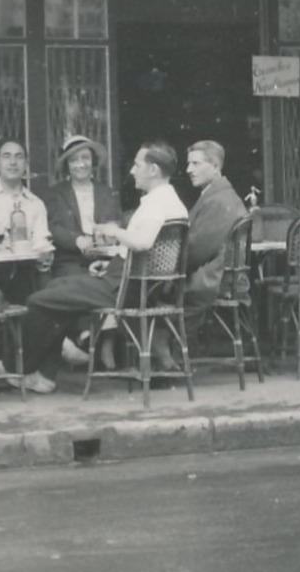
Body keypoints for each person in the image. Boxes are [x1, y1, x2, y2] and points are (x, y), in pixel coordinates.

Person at [16, 141, 189, 394]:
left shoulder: (155, 203)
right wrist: (110, 262)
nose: (132, 171)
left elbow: (141, 243)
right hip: (133, 283)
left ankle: (25, 369)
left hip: (121, 288)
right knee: (59, 287)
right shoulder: (171, 200)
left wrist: (115, 231)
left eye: (137, 165)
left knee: (39, 299)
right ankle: (45, 374)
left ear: (153, 170)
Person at [0, 139, 52, 303]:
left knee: (46, 288)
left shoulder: (36, 203)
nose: (13, 162)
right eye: (7, 156)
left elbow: (42, 243)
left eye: (19, 157)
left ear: (26, 164)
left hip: (29, 273)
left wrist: (44, 256)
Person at [183, 140, 249, 327]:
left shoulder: (218, 201)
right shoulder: (219, 195)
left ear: (215, 166)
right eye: (188, 164)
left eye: (195, 164)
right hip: (216, 277)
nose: (188, 169)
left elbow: (196, 252)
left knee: (143, 293)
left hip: (208, 281)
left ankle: (162, 349)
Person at [44, 135, 121, 280]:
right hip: (70, 263)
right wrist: (77, 240)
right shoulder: (56, 193)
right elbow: (53, 227)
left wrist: (108, 237)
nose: (80, 164)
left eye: (85, 158)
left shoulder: (107, 192)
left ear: (93, 161)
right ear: (67, 165)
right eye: (73, 160)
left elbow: (115, 223)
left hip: (105, 260)